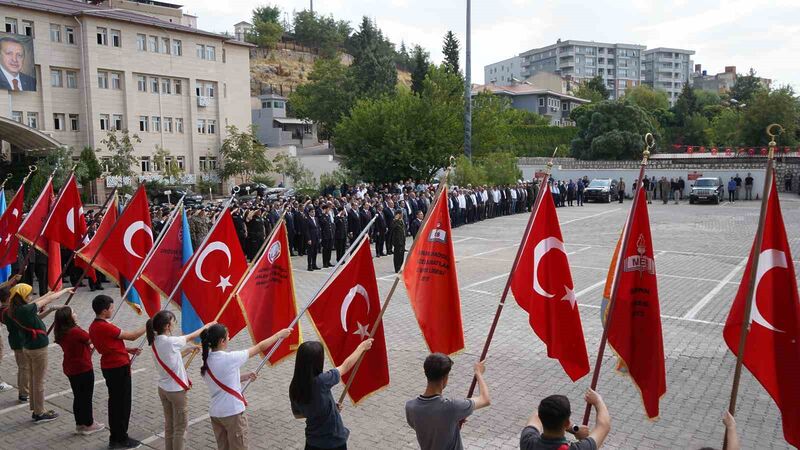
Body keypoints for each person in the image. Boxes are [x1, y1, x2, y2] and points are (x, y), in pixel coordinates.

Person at [200, 323, 292, 450]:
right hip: (232, 413)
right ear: (222, 341)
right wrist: (278, 335)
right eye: (228, 336)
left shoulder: (205, 360)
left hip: (216, 413)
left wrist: (245, 376)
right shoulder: (230, 359)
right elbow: (259, 347)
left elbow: (223, 379)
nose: (229, 338)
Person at [146, 311, 215, 450]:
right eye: (173, 321)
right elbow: (191, 336)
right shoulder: (171, 341)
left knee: (170, 425)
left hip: (163, 389)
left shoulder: (155, 342)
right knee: (180, 428)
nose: (174, 324)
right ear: (167, 326)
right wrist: (207, 326)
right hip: (175, 392)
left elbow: (170, 358)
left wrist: (187, 351)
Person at [289, 339, 374, 450]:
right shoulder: (322, 381)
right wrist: (361, 347)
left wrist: (330, 408)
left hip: (312, 441)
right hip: (333, 441)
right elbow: (345, 366)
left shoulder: (294, 386)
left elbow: (298, 415)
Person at [89, 295, 146, 449]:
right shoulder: (106, 327)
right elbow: (133, 336)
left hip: (110, 366)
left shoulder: (94, 326)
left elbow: (108, 344)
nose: (113, 310)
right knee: (122, 404)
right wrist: (149, 325)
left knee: (115, 403)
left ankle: (116, 436)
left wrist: (127, 349)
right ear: (104, 310)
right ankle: (121, 438)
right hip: (118, 368)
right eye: (111, 308)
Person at [9, 283, 72, 423]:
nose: (31, 297)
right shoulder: (25, 309)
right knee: (39, 381)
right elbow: (46, 300)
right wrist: (65, 291)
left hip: (28, 347)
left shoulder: (16, 309)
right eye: (29, 294)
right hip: (37, 348)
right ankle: (40, 412)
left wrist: (50, 308)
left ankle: (35, 408)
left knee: (33, 379)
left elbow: (38, 311)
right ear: (23, 296)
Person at [405, 354, 491, 450]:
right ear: (445, 378)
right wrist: (478, 373)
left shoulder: (410, 407)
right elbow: (485, 399)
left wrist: (450, 422)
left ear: (426, 372)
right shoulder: (452, 407)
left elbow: (428, 426)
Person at [53, 306, 105, 435]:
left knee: (78, 396)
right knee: (86, 397)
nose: (76, 314)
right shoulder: (75, 331)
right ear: (69, 318)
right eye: (73, 313)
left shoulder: (61, 331)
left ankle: (80, 423)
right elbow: (90, 339)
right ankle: (89, 423)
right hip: (82, 367)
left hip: (71, 367)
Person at [520, 389, 610, 450]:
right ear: (566, 423)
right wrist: (598, 401)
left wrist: (571, 427)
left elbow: (537, 415)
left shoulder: (528, 442)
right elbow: (603, 426)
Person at [0, 279, 28, 402]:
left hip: (15, 341)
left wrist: (10, 282)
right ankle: (24, 393)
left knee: (22, 367)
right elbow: (28, 311)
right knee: (24, 368)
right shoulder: (8, 311)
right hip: (19, 341)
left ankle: (24, 391)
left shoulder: (5, 309)